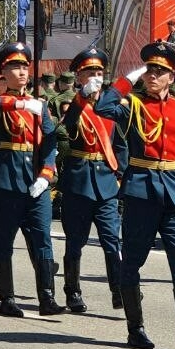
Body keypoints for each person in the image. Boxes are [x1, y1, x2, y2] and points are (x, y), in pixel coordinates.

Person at [93, 42, 175, 349]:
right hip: (141, 192)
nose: (152, 75)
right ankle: (135, 329)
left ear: (171, 77)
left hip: (174, 194)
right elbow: (102, 107)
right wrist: (126, 79)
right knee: (132, 262)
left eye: (159, 71)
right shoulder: (132, 104)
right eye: (149, 70)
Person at [0, 43, 61, 317]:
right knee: (4, 240)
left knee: (42, 239)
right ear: (2, 73)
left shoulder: (40, 105)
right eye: (15, 67)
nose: (22, 71)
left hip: (36, 181)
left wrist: (47, 173)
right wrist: (19, 102)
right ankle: (7, 298)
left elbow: (50, 141)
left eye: (25, 66)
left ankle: (47, 297)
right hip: (7, 180)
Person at [58, 48, 125, 310]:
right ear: (79, 77)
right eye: (90, 73)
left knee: (112, 240)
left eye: (99, 73)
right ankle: (72, 290)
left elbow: (121, 143)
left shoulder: (113, 106)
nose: (96, 77)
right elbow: (67, 126)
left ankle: (119, 290)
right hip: (79, 182)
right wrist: (81, 98)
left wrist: (120, 175)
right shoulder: (74, 105)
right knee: (75, 242)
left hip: (107, 182)